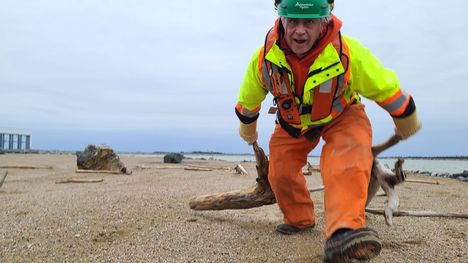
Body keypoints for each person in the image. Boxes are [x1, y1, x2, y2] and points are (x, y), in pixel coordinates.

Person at [235, 0, 421, 262]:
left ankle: (344, 231)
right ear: (281, 18)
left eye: (309, 22)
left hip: (342, 114)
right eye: (293, 22)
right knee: (281, 170)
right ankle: (299, 218)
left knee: (347, 156)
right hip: (293, 123)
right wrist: (248, 131)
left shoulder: (348, 52)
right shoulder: (264, 59)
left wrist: (406, 118)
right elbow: (248, 100)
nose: (300, 30)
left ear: (325, 19)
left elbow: (384, 85)